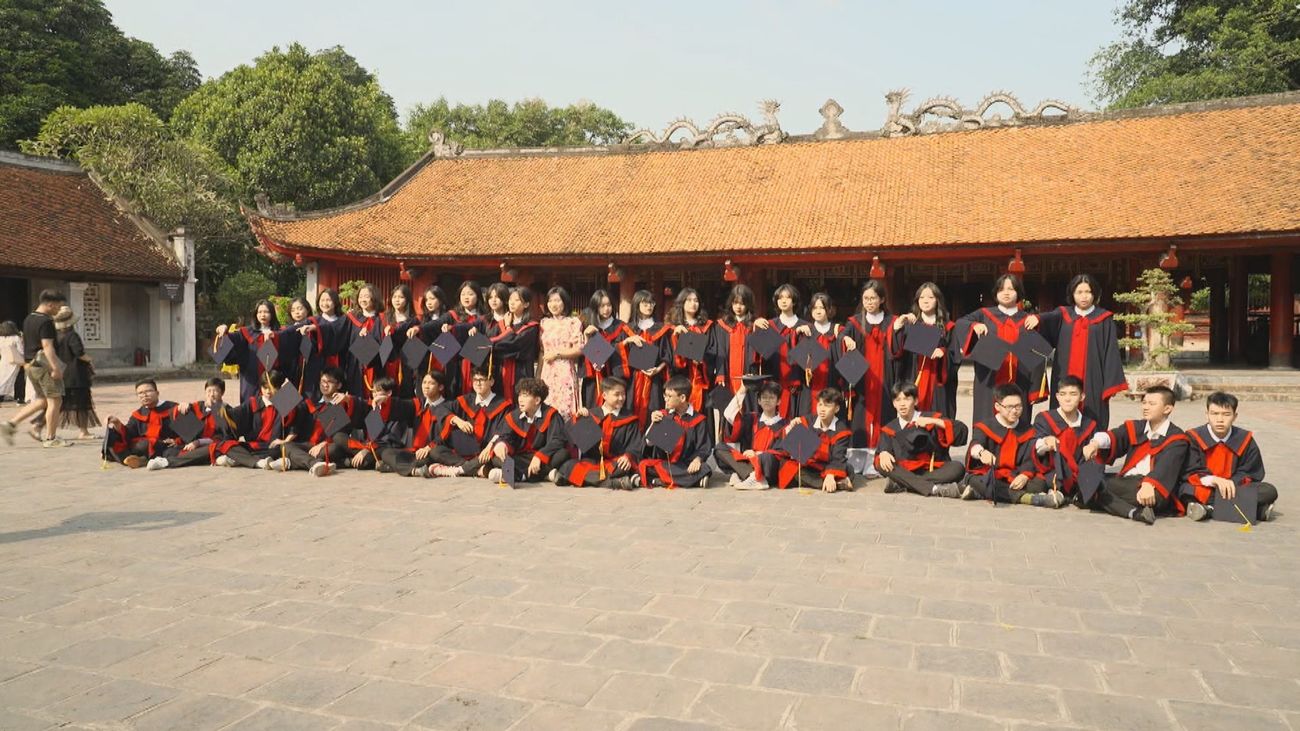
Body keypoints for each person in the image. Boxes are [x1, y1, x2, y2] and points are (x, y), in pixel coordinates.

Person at [1027, 274, 1127, 430]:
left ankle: (1092, 449)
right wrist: (1037, 319)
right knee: (1062, 412)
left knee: (1093, 414)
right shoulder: (1063, 315)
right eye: (1079, 292)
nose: (1084, 296)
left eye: (1088, 292)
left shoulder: (1104, 319)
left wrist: (1110, 384)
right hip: (1064, 374)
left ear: (1095, 294)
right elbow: (1046, 320)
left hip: (1093, 378)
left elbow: (1111, 352)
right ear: (1072, 294)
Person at [1083, 385, 1189, 525]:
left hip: (1155, 490)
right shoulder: (1137, 427)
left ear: (1167, 409)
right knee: (1089, 477)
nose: (1145, 407)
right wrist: (1095, 443)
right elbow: (1114, 436)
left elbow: (1166, 467)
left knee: (1093, 488)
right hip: (1127, 484)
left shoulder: (1177, 438)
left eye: (1152, 404)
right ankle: (1134, 512)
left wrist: (1149, 484)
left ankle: (1092, 498)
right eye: (1144, 402)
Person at [957, 275, 1043, 429]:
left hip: (1020, 379)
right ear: (996, 293)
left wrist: (1036, 389)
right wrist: (974, 326)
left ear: (1019, 293)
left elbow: (1038, 355)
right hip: (989, 379)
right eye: (1002, 289)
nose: (1006, 292)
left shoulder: (1027, 319)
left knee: (1019, 419)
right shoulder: (984, 314)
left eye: (1011, 289)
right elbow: (961, 323)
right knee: (987, 421)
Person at [1180, 391, 1278, 522]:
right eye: (1214, 414)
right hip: (1205, 486)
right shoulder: (1193, 437)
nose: (1220, 419)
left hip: (1234, 488)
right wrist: (1215, 480)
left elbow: (1252, 472)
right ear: (1207, 414)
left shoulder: (1245, 439)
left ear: (1235, 416)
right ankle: (1256, 511)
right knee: (1185, 490)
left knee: (1269, 491)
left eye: (1226, 414)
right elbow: (1190, 470)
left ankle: (1209, 509)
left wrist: (1232, 482)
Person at [962, 383, 1061, 507]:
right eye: (1009, 407)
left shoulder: (1027, 430)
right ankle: (1028, 498)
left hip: (1015, 474)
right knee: (977, 480)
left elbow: (1031, 458)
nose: (1014, 411)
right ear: (997, 406)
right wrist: (982, 453)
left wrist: (1025, 474)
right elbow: (975, 444)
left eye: (1018, 406)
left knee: (1039, 483)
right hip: (991, 474)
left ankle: (980, 493)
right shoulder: (985, 426)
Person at [2, 289, 70, 447]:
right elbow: (47, 346)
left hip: (30, 364)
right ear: (50, 304)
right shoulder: (45, 322)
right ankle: (51, 438)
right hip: (43, 364)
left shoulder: (29, 318)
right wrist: (55, 367)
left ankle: (11, 424)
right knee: (56, 400)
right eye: (58, 307)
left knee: (41, 400)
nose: (58, 310)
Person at [874, 382, 966, 498]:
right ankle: (934, 489)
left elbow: (962, 430)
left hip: (932, 470)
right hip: (904, 469)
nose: (902, 404)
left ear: (916, 401)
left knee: (957, 468)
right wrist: (883, 453)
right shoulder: (890, 428)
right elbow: (882, 451)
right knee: (881, 464)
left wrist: (933, 422)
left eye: (907, 399)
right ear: (893, 404)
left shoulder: (930, 417)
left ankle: (901, 484)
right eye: (898, 400)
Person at [555, 376, 642, 489]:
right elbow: (569, 437)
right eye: (617, 394)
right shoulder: (591, 415)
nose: (621, 398)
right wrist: (577, 419)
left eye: (623, 394)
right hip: (591, 461)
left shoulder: (630, 419)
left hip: (615, 462)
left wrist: (628, 457)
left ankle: (576, 479)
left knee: (623, 467)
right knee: (568, 465)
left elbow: (635, 445)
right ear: (604, 395)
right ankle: (612, 483)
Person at [840, 281, 897, 449]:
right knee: (860, 413)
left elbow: (899, 346)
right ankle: (859, 454)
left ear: (882, 299)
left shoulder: (892, 321)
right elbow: (841, 336)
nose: (869, 302)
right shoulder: (855, 322)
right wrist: (846, 338)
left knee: (886, 412)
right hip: (862, 377)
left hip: (885, 375)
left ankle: (884, 451)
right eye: (866, 298)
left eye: (873, 298)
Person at [427, 367, 513, 478]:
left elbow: (503, 430)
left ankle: (458, 470)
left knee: (500, 458)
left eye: (482, 380)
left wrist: (490, 447)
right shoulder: (466, 400)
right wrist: (457, 420)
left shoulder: (503, 405)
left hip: (487, 452)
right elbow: (440, 408)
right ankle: (478, 470)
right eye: (475, 380)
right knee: (436, 451)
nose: (478, 384)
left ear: (491, 382)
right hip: (464, 453)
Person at [215, 370, 309, 470]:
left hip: (274, 447)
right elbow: (235, 415)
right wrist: (223, 409)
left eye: (272, 388)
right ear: (261, 387)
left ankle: (240, 459)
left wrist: (285, 440)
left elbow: (297, 423)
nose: (268, 391)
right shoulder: (253, 402)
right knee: (227, 445)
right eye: (265, 388)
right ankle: (258, 462)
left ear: (279, 388)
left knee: (284, 449)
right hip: (254, 445)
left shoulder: (284, 400)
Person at [282, 366, 367, 476]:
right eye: (323, 381)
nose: (325, 385)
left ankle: (292, 462)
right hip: (310, 445)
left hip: (329, 446)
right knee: (285, 446)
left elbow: (341, 433)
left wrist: (323, 444)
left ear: (339, 385)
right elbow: (295, 416)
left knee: (333, 449)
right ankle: (315, 463)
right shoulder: (313, 404)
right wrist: (286, 395)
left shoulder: (343, 404)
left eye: (330, 382)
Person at [484, 377, 569, 486]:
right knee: (497, 457)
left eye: (525, 395)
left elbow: (557, 441)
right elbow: (505, 436)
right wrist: (501, 444)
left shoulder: (551, 415)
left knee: (562, 454)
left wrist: (539, 456)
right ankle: (544, 474)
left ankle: (518, 475)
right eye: (519, 395)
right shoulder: (514, 416)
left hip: (542, 457)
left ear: (537, 400)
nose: (520, 399)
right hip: (520, 458)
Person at [891, 282, 958, 419]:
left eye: (930, 297)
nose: (925, 301)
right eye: (921, 298)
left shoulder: (948, 327)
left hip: (937, 380)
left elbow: (955, 355)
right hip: (914, 376)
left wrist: (943, 353)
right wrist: (897, 328)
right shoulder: (910, 325)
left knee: (937, 415)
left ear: (938, 300)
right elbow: (897, 353)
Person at [1030, 375, 1099, 503]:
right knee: (1034, 484)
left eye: (1073, 394)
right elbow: (1034, 446)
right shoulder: (1044, 418)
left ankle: (1061, 495)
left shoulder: (1089, 425)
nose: (1067, 399)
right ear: (1057, 397)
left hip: (1078, 475)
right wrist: (1046, 442)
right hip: (1051, 473)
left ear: (1082, 397)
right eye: (1063, 394)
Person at [214, 299, 298, 403]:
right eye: (260, 312)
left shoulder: (281, 332)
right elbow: (230, 339)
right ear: (255, 314)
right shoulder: (246, 332)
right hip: (252, 382)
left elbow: (290, 356)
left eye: (266, 312)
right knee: (252, 410)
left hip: (274, 380)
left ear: (272, 313)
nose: (263, 315)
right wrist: (224, 329)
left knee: (278, 413)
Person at [638, 376, 713, 488]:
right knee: (645, 465)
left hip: (686, 464)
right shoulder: (663, 415)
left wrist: (697, 460)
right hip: (666, 464)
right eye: (665, 396)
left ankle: (659, 480)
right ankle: (693, 481)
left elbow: (703, 447)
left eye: (669, 396)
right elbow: (648, 443)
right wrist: (653, 424)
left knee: (704, 468)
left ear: (682, 398)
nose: (665, 399)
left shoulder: (699, 420)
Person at [155, 377, 242, 469]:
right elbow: (182, 421)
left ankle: (168, 463)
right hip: (193, 444)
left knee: (211, 449)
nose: (211, 395)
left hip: (213, 445)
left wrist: (198, 442)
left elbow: (224, 437)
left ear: (222, 393)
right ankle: (214, 460)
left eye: (215, 391)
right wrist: (181, 406)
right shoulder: (197, 406)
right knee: (169, 451)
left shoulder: (227, 410)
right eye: (208, 391)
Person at [777, 388, 852, 492]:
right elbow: (790, 446)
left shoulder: (841, 430)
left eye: (827, 405)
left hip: (827, 465)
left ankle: (831, 480)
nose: (822, 409)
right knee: (791, 469)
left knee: (847, 468)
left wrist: (830, 474)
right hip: (809, 465)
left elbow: (838, 457)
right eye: (820, 404)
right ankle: (837, 483)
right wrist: (790, 429)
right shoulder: (807, 421)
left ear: (836, 409)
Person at [716, 380, 786, 490]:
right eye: (764, 397)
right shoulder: (752, 419)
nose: (767, 400)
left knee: (768, 457)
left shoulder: (785, 424)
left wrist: (756, 454)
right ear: (758, 401)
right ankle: (749, 475)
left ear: (778, 401)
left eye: (771, 398)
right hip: (748, 462)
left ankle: (744, 474)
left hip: (767, 467)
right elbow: (729, 415)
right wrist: (743, 389)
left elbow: (783, 452)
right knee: (720, 447)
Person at [383, 371, 454, 478]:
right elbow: (401, 405)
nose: (426, 386)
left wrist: (428, 448)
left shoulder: (449, 406)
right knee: (386, 453)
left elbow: (446, 435)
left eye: (431, 383)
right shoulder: (418, 404)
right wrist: (385, 401)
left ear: (440, 387)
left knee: (423, 460)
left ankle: (395, 467)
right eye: (424, 382)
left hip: (433, 451)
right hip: (415, 452)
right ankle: (414, 471)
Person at [753, 284, 809, 418]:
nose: (783, 301)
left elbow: (810, 361)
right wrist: (756, 330)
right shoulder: (769, 325)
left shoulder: (806, 326)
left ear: (794, 301)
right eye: (780, 298)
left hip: (799, 388)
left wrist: (803, 336)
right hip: (774, 386)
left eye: (788, 297)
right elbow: (758, 356)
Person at [622, 289, 671, 429]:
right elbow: (618, 354)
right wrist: (627, 342)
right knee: (631, 411)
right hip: (633, 380)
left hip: (654, 379)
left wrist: (658, 369)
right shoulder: (628, 329)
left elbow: (667, 355)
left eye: (651, 303)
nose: (649, 306)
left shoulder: (661, 329)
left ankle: (653, 450)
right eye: (645, 303)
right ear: (637, 304)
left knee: (654, 412)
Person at [103, 379, 179, 468]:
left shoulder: (173, 408)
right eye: (140, 393)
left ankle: (140, 460)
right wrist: (117, 423)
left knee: (150, 446)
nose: (144, 395)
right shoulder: (138, 414)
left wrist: (177, 440)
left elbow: (186, 429)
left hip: (165, 445)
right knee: (111, 438)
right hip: (142, 446)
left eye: (148, 391)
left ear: (157, 393)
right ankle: (137, 460)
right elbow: (128, 433)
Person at [665, 288, 714, 414]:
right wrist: (675, 337)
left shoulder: (707, 326)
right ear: (682, 303)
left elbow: (713, 349)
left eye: (696, 300)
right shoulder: (672, 328)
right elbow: (669, 356)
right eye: (689, 300)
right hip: (682, 377)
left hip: (700, 378)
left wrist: (702, 361)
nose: (693, 303)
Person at [580, 289, 631, 410]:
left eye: (608, 305)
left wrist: (621, 345)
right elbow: (585, 359)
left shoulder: (622, 327)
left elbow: (625, 354)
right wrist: (587, 338)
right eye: (602, 306)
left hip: (614, 376)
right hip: (595, 380)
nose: (606, 309)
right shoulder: (589, 328)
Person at [52, 306, 98, 440]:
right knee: (82, 404)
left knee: (58, 404)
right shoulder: (72, 335)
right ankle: (84, 431)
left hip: (62, 374)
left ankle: (41, 427)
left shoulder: (56, 336)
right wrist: (91, 360)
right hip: (76, 375)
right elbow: (79, 353)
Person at [539, 286, 584, 418]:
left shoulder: (573, 322)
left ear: (565, 302)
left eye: (557, 301)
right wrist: (538, 374)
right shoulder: (543, 323)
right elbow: (542, 351)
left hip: (565, 369)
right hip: (547, 371)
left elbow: (579, 349)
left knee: (565, 408)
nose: (554, 304)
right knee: (547, 407)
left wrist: (557, 354)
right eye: (550, 301)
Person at [712, 284, 761, 398]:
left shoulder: (754, 325)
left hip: (748, 374)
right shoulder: (722, 325)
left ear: (748, 305)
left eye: (742, 303)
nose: (738, 307)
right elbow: (720, 351)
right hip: (728, 375)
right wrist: (720, 374)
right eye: (735, 303)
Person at [0, 320, 21, 404]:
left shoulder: (1, 338)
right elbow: (21, 350)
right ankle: (9, 395)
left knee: (2, 377)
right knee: (12, 378)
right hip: (14, 361)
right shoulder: (16, 338)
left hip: (3, 360)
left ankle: (4, 395)